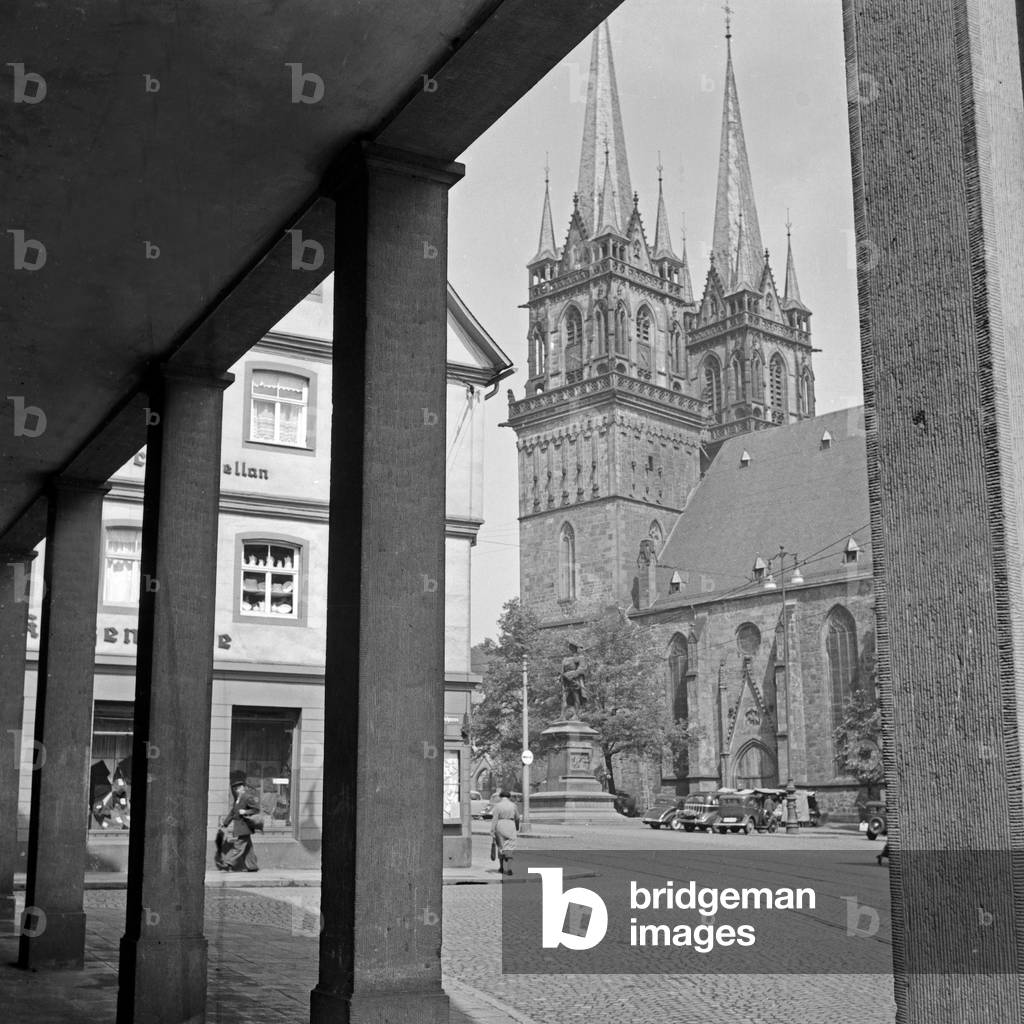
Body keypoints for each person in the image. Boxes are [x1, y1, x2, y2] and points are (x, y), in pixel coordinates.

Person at [215, 770, 260, 872]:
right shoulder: (238, 799)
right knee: (248, 848)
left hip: (245, 827)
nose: (237, 790)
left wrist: (245, 811)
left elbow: (256, 810)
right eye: (235, 788)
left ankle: (227, 863)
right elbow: (232, 812)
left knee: (238, 846)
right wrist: (225, 823)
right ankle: (252, 866)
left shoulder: (248, 797)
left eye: (239, 787)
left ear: (243, 787)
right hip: (240, 827)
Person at [490, 790, 520, 876]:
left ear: (500, 797)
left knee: (500, 846)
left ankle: (501, 867)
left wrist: (492, 830)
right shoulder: (513, 805)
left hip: (500, 825)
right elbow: (517, 818)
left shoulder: (497, 806)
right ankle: (509, 869)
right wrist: (517, 827)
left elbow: (494, 819)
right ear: (509, 797)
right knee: (510, 846)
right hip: (510, 825)